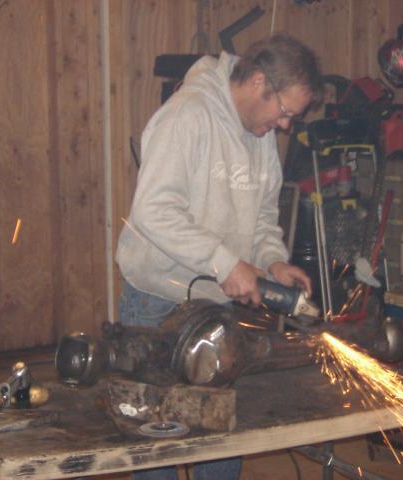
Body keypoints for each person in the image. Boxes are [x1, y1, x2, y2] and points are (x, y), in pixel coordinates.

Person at [116, 33, 323, 480]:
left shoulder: (260, 134)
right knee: (155, 443)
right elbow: (152, 211)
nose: (285, 125)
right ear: (258, 82)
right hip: (156, 299)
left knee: (219, 437)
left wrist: (273, 261)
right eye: (284, 112)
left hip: (216, 303)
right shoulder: (187, 115)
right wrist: (225, 263)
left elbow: (263, 216)